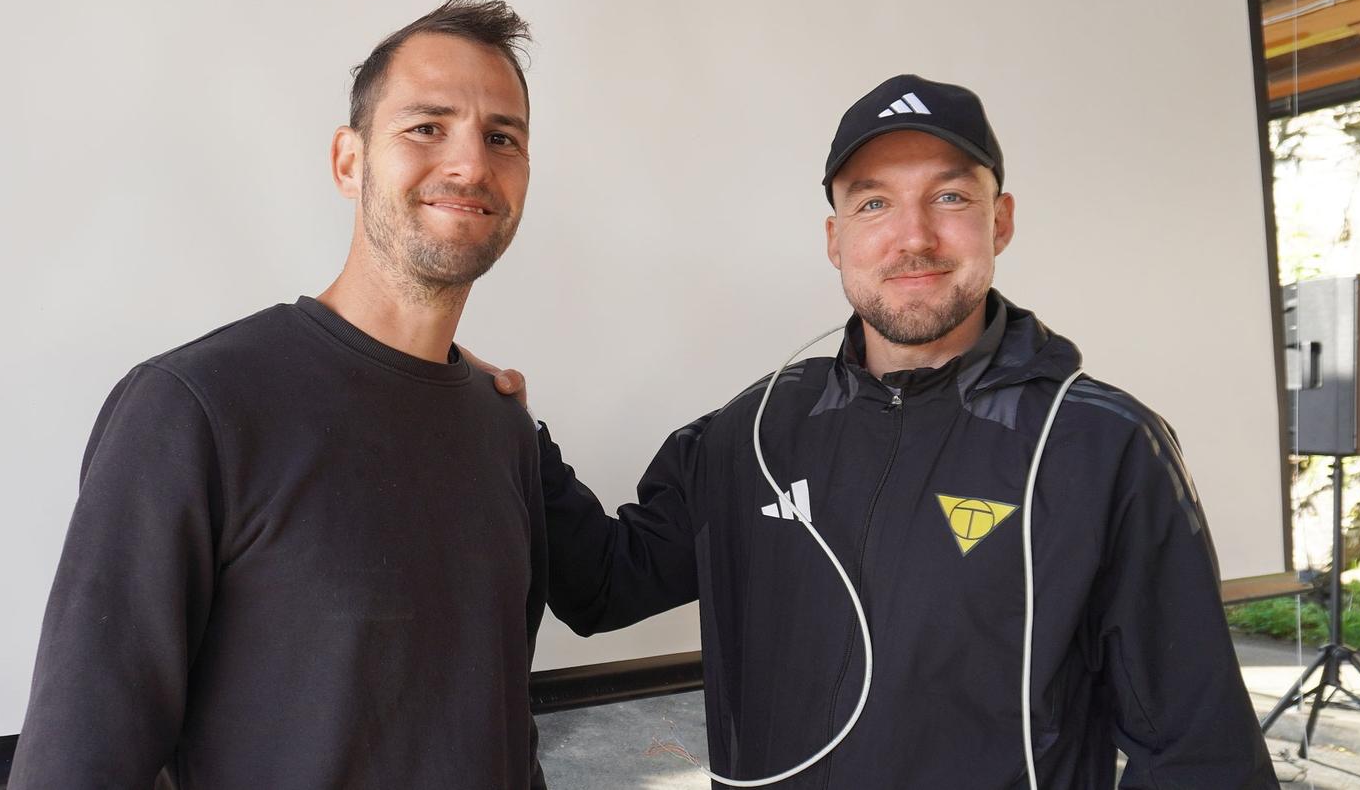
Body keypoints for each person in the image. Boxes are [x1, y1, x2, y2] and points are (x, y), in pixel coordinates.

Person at [478, 75, 1278, 787]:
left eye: (951, 197)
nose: (913, 237)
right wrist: (510, 429)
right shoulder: (751, 431)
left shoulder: (1102, 448)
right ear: (835, 239)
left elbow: (1201, 755)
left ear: (999, 221)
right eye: (872, 202)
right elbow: (605, 585)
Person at [9, 0, 548, 789]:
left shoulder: (499, 423)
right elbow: (78, 765)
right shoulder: (191, 410)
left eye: (501, 137)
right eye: (426, 127)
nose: (470, 164)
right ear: (348, 161)